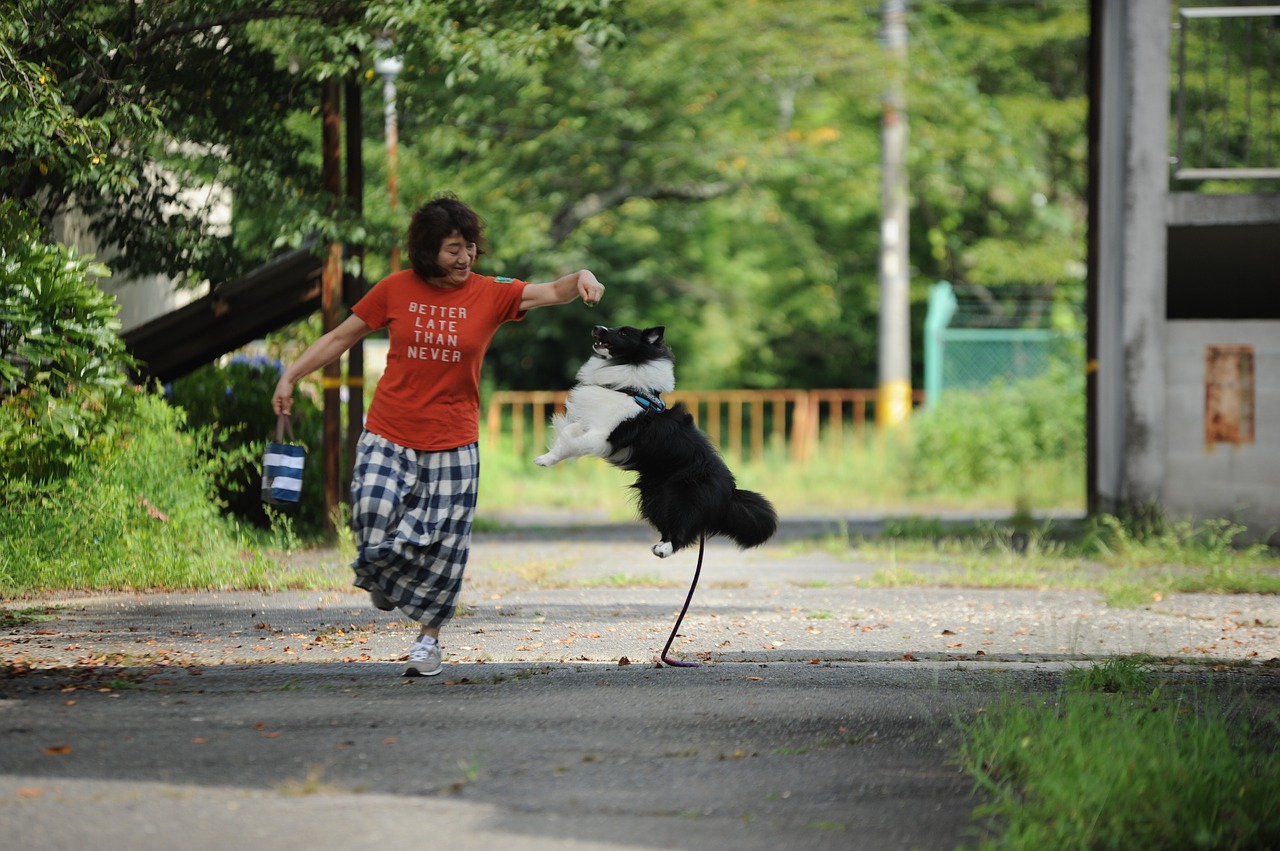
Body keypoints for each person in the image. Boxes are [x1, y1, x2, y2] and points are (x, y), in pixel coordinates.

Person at [271, 193, 605, 677]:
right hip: (389, 429)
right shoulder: (395, 289)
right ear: (428, 250)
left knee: (445, 545)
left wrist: (583, 279)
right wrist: (290, 375)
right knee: (371, 510)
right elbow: (340, 338)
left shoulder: (491, 293)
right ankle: (383, 574)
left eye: (469, 246)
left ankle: (428, 640)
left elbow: (554, 290)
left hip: (454, 439)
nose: (465, 257)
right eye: (453, 248)